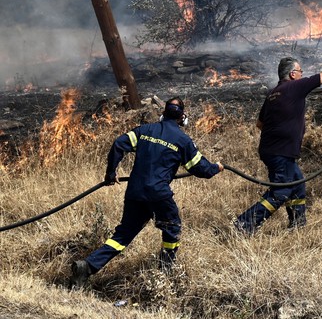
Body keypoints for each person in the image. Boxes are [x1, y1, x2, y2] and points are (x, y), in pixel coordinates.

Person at [71, 97, 223, 288]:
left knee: (124, 234)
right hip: (159, 195)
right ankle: (165, 274)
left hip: (135, 192)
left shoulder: (145, 131)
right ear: (182, 118)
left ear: (163, 114)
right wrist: (217, 167)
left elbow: (119, 143)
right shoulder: (183, 140)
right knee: (172, 228)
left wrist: (111, 173)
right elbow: (202, 170)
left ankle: (88, 266)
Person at [234, 51, 322, 235]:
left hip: (273, 150)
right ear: (293, 74)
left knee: (297, 185)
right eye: (300, 71)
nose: (302, 74)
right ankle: (245, 223)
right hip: (280, 152)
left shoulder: (273, 94)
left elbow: (260, 124)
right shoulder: (295, 87)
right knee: (281, 192)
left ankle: (297, 226)